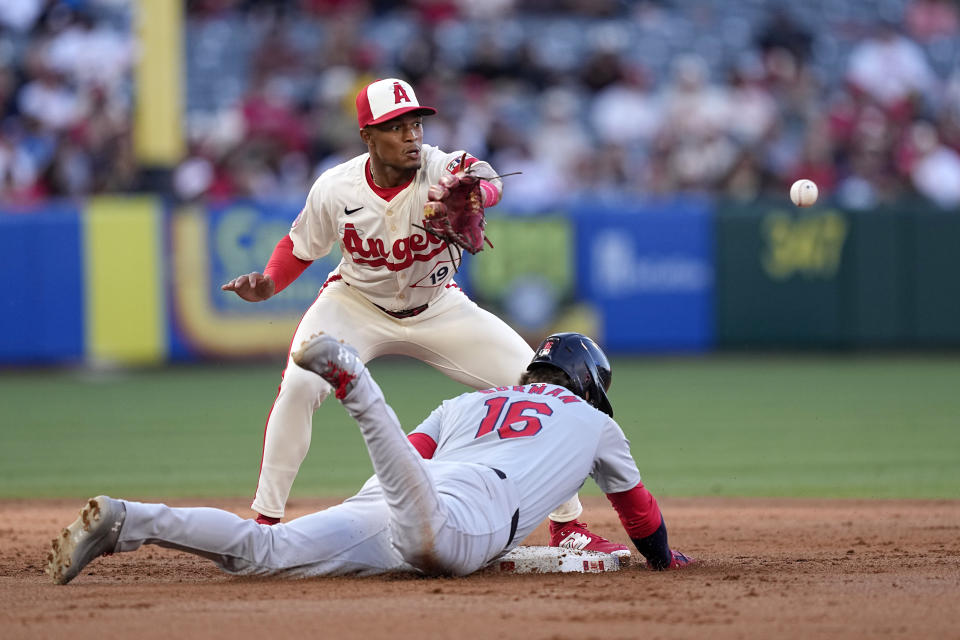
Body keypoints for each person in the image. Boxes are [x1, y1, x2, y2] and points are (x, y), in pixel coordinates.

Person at [220, 77, 622, 553]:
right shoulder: (335, 187)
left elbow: (484, 174)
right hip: (355, 304)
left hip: (438, 306)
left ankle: (567, 525)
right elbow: (300, 246)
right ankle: (264, 525)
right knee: (300, 385)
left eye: (415, 124)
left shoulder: (440, 167)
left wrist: (477, 192)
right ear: (367, 136)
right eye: (396, 127)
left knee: (535, 385)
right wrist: (269, 281)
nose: (412, 136)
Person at [46, 332, 694, 584]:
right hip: (465, 511)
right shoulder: (593, 422)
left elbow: (408, 459)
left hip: (405, 492)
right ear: (587, 383)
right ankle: (353, 381)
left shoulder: (470, 403)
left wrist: (374, 504)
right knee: (433, 539)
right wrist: (666, 561)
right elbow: (639, 514)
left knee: (262, 554)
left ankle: (129, 519)